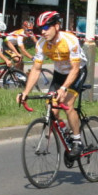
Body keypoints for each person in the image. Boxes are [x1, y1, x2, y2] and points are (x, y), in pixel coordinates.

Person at [17, 11, 89, 154]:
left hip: (77, 72)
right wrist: (25, 92)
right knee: (52, 108)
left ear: (56, 26)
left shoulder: (70, 40)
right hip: (59, 74)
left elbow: (75, 69)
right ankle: (65, 132)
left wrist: (63, 88)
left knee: (67, 104)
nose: (43, 32)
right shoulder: (41, 44)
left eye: (46, 28)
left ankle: (77, 140)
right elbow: (36, 69)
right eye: (40, 29)